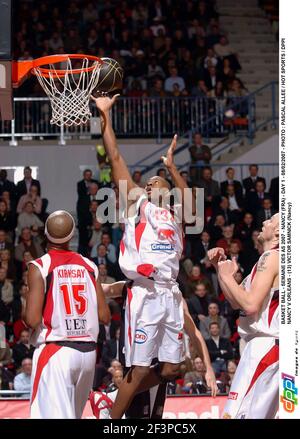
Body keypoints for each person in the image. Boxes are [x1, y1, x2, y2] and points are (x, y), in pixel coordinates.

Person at [91, 93, 195, 419]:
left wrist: (172, 168)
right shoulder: (138, 204)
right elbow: (116, 156)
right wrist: (106, 117)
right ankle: (112, 419)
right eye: (149, 182)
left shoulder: (178, 213)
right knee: (137, 369)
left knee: (172, 368)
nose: (152, 184)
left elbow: (191, 202)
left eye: (157, 181)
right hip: (145, 293)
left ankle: (128, 395)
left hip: (170, 292)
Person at [24, 210, 110, 419]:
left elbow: (32, 320)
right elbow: (105, 316)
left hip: (56, 351)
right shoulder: (89, 266)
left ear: (45, 233)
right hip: (88, 354)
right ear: (71, 236)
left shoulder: (40, 266)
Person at [91, 281, 217, 419]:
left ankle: (112, 397)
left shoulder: (173, 293)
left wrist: (209, 368)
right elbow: (102, 288)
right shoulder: (131, 286)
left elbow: (194, 333)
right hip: (136, 363)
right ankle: (111, 399)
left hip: (159, 368)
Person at [208, 213, 279, 419]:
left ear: (278, 232)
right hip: (271, 348)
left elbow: (249, 305)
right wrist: (220, 269)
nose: (264, 222)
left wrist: (224, 275)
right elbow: (236, 301)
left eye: (270, 221)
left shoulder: (271, 257)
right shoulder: (271, 259)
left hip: (264, 348)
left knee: (234, 415)